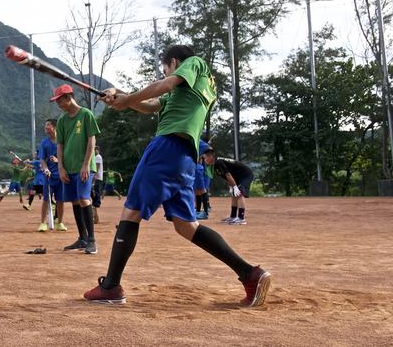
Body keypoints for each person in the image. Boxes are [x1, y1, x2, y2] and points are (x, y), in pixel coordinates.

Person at [83, 45, 271, 307]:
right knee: (186, 226)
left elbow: (166, 84)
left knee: (131, 213)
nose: (166, 73)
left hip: (166, 148)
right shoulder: (190, 91)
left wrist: (127, 99)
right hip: (184, 157)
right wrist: (121, 97)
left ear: (174, 62)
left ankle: (111, 286)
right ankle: (250, 274)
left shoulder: (194, 63)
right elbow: (151, 105)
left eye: (165, 68)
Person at [52, 84, 100, 255]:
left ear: (68, 97)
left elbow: (91, 141)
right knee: (73, 200)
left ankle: (92, 241)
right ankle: (82, 238)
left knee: (84, 198)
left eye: (59, 100)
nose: (58, 104)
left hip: (84, 167)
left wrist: (86, 164)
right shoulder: (62, 120)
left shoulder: (86, 114)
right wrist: (61, 167)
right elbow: (60, 145)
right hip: (68, 167)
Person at [202, 149, 254, 225]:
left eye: (205, 157)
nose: (204, 160)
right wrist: (232, 187)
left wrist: (236, 187)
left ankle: (241, 218)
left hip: (245, 175)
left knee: (239, 193)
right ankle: (233, 216)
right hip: (237, 177)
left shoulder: (218, 163)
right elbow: (227, 176)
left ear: (211, 156)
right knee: (234, 194)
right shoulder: (215, 165)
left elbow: (228, 175)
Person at [37, 119, 66, 232]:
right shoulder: (44, 142)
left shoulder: (63, 141)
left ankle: (60, 222)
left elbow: (67, 157)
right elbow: (42, 160)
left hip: (61, 175)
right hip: (49, 177)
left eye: (48, 125)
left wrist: (58, 160)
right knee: (46, 199)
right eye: (46, 125)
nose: (46, 127)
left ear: (54, 127)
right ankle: (43, 223)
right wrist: (46, 169)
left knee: (60, 200)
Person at [194, 141, 212, 220]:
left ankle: (205, 212)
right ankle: (198, 211)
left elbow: (209, 149)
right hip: (195, 168)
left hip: (198, 168)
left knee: (202, 190)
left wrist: (202, 156)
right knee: (197, 191)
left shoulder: (198, 142)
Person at [93, 146, 104, 223]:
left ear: (97, 150)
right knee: (94, 196)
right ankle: (95, 217)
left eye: (94, 149)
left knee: (95, 196)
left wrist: (93, 180)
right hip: (97, 179)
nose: (93, 150)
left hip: (97, 179)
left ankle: (96, 218)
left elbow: (96, 168)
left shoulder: (97, 157)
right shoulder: (97, 157)